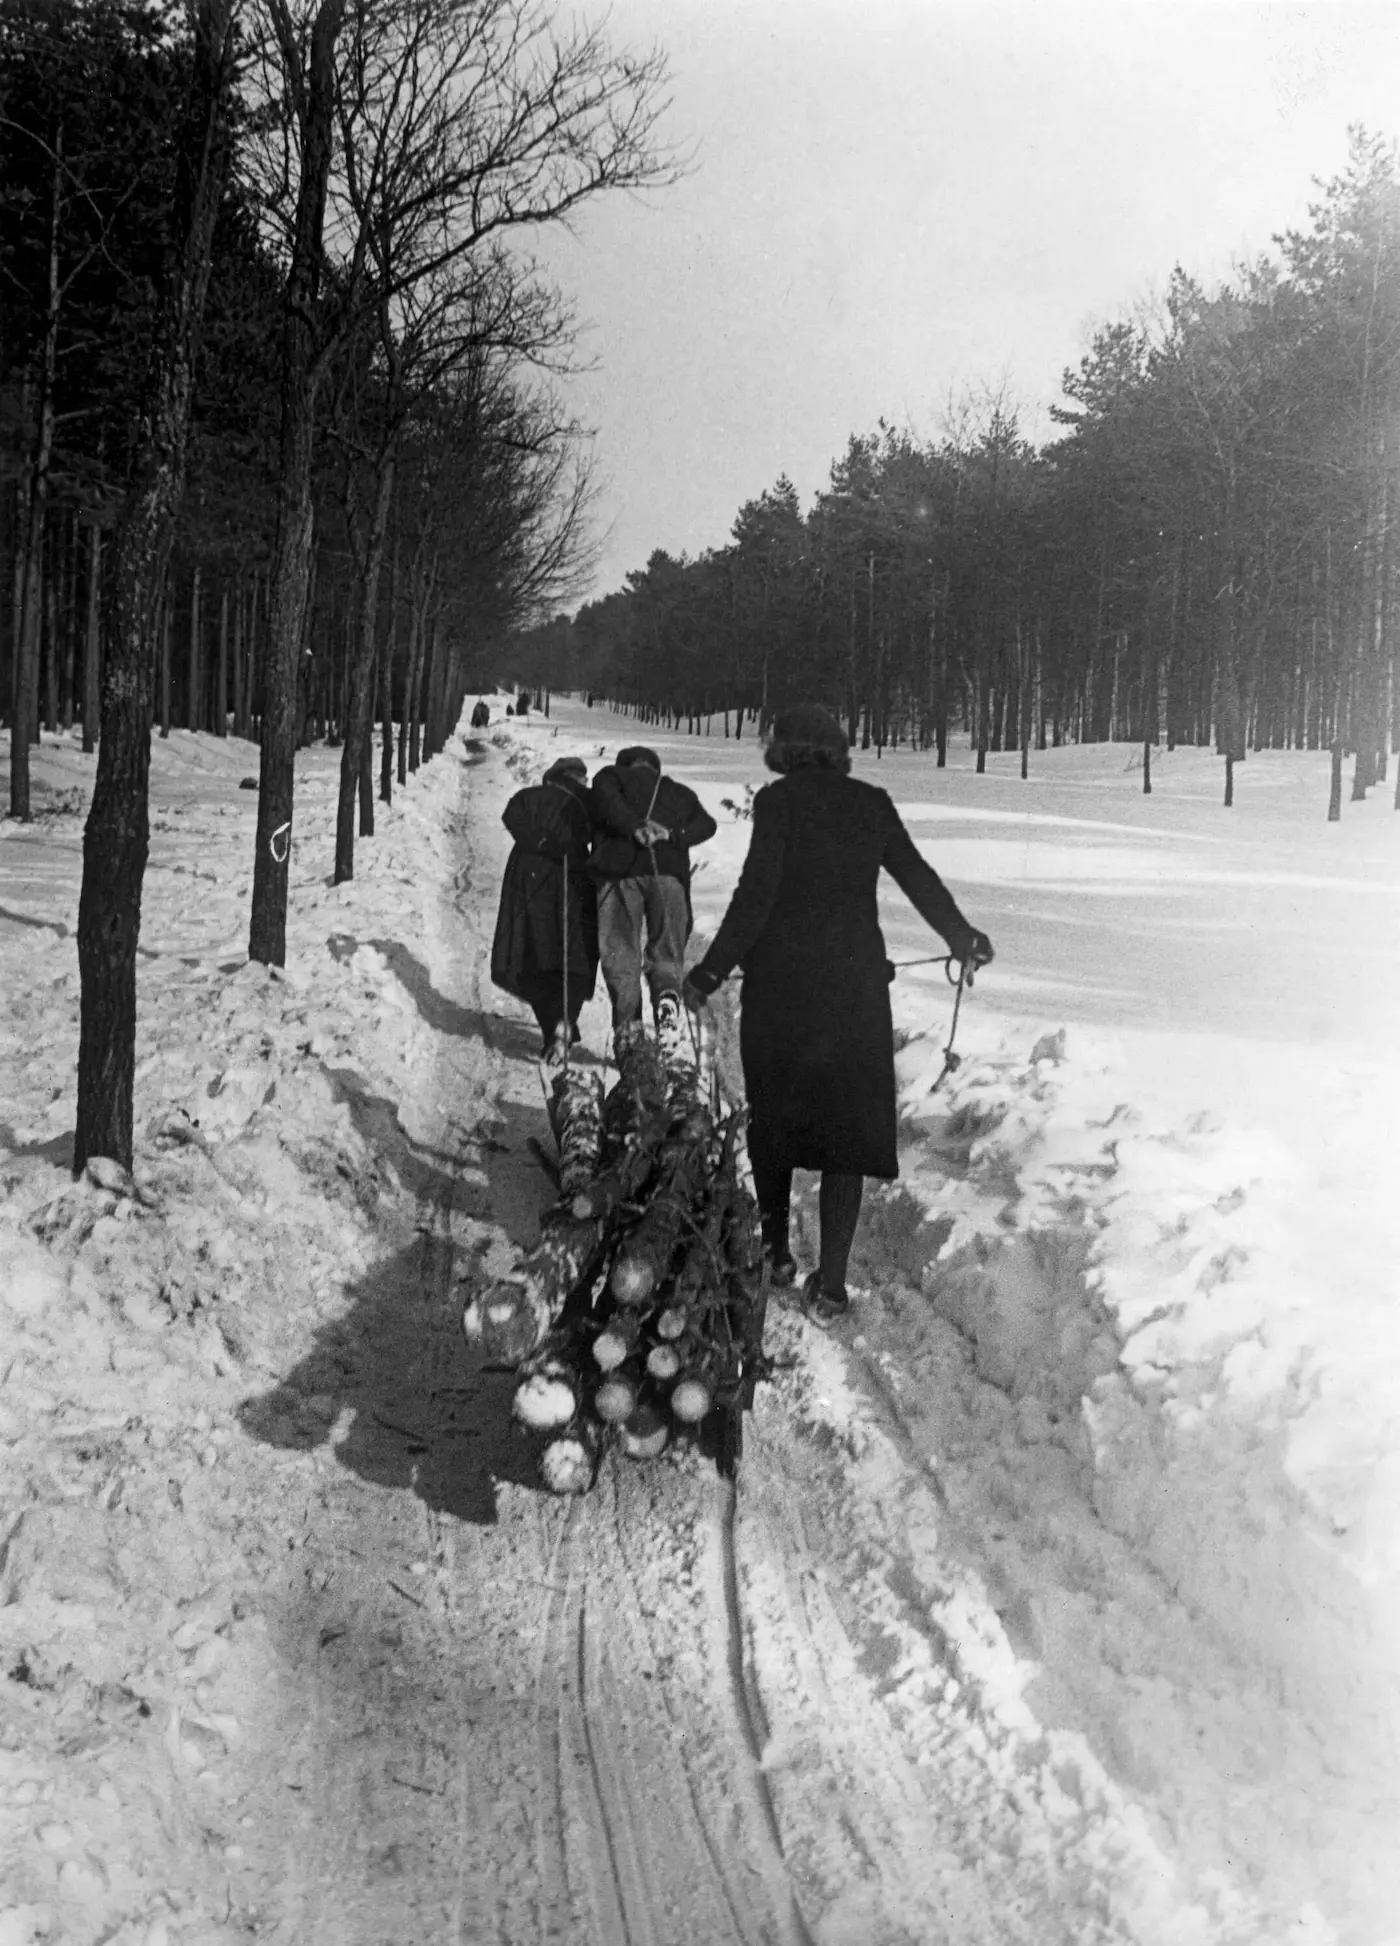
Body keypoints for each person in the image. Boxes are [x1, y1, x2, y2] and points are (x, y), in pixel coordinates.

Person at [682, 702, 993, 1321]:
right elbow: (917, 876)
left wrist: (712, 970)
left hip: (782, 993)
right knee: (843, 1136)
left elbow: (755, 895)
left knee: (774, 1122)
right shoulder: (871, 802)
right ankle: (831, 1284)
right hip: (854, 995)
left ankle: (773, 1252)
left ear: (786, 749)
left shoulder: (778, 803)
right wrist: (962, 937)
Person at [590, 745, 717, 1041]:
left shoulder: (610, 777)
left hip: (620, 876)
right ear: (655, 768)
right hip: (668, 876)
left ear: (626, 765)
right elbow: (707, 825)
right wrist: (673, 835)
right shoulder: (679, 792)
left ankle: (629, 1030)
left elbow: (606, 804)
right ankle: (667, 998)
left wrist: (633, 827)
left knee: (620, 951)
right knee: (667, 950)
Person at [490, 756, 598, 1061]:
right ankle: (566, 1018)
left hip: (528, 877)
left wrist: (538, 841)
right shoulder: (585, 802)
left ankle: (553, 1025)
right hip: (572, 877)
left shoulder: (528, 796)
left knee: (531, 950)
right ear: (576, 778)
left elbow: (511, 814)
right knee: (573, 952)